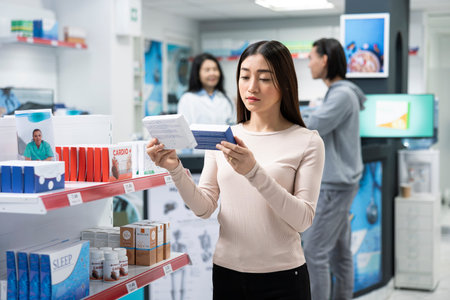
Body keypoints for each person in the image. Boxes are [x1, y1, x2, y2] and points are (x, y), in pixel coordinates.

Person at [147, 40, 325, 299]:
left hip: (284, 278)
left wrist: (254, 172)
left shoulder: (308, 141)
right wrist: (175, 169)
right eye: (244, 76)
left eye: (264, 78)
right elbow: (204, 207)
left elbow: (303, 220)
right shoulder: (223, 137)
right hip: (227, 274)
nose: (251, 87)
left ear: (285, 83)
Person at [301, 38, 366, 300]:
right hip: (340, 185)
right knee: (340, 254)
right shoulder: (340, 93)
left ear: (325, 59)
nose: (309, 65)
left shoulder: (341, 95)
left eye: (311, 58)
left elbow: (312, 125)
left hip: (334, 187)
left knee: (313, 252)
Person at [177, 53, 234, 125]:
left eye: (215, 69)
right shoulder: (187, 99)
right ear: (197, 74)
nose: (212, 73)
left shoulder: (227, 98)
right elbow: (184, 129)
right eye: (207, 70)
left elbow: (233, 125)